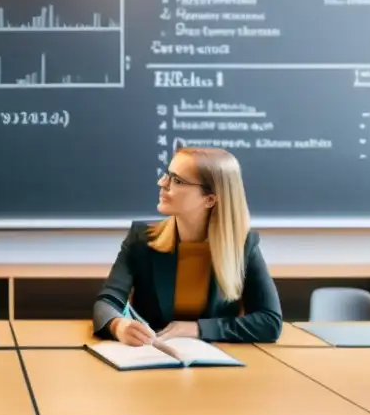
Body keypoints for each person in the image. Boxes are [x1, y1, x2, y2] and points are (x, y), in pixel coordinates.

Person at [92, 146, 282, 345]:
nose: (162, 183)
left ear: (209, 199)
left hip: (218, 364)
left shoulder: (243, 245)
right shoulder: (141, 239)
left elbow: (269, 322)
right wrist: (118, 325)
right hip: (152, 357)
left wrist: (197, 329)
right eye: (167, 175)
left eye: (177, 180)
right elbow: (106, 302)